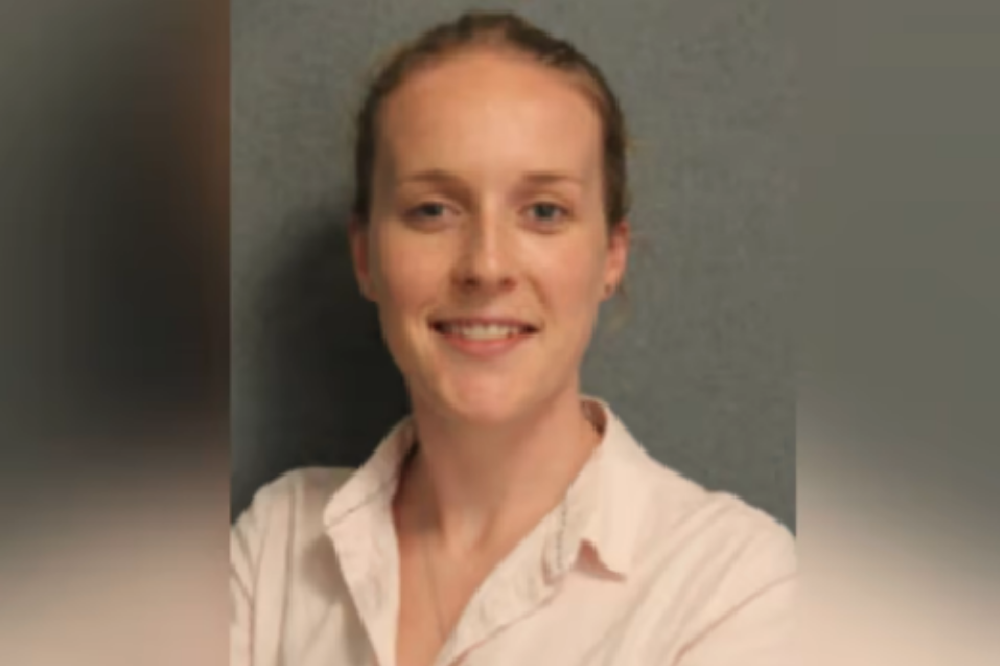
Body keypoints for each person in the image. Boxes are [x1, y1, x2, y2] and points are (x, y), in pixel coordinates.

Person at [231, 11, 795, 666]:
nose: (487, 265)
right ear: (366, 257)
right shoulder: (278, 545)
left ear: (612, 257)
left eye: (544, 212)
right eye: (433, 210)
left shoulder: (730, 586)